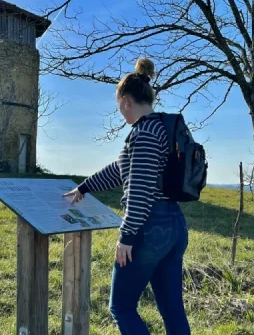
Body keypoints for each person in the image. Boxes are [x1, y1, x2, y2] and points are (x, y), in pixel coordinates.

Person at [63, 57, 191, 334]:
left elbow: (139, 188)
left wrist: (127, 236)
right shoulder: (161, 129)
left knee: (121, 307)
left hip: (149, 228)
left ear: (125, 102)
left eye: (118, 105)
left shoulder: (144, 133)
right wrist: (84, 187)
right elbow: (120, 169)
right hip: (174, 226)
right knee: (172, 308)